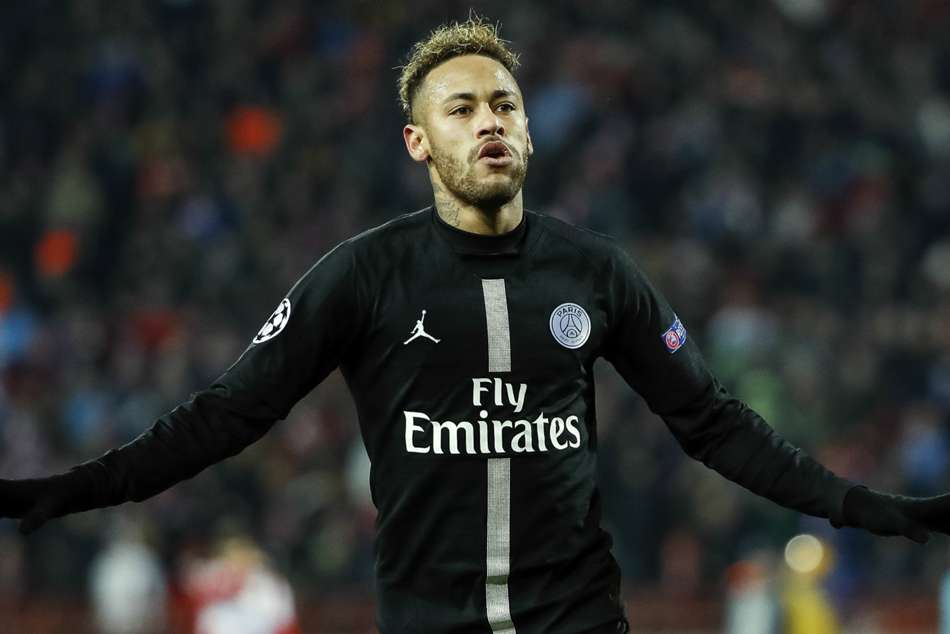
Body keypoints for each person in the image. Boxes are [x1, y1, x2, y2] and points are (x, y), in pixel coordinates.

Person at [3, 15, 950, 634]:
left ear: (530, 132)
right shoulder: (363, 275)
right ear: (419, 141)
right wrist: (77, 490)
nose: (490, 121)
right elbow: (225, 414)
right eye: (461, 109)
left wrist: (864, 506)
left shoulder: (595, 272)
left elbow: (712, 423)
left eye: (505, 105)